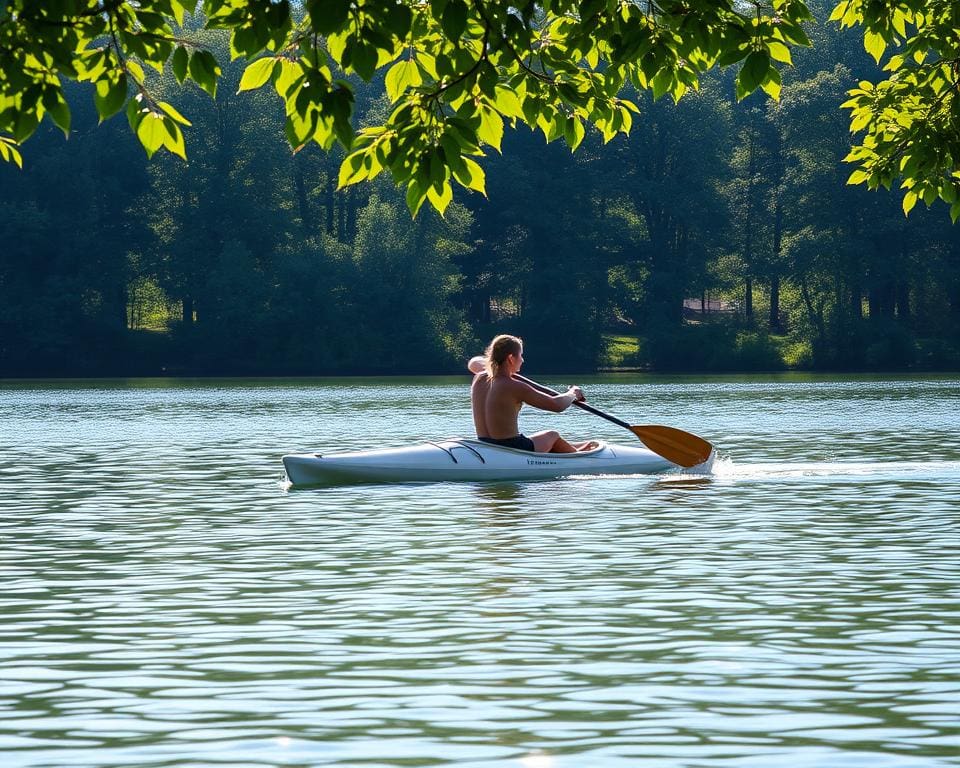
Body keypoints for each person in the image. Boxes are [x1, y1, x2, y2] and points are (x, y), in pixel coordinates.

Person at [468, 334, 598, 453]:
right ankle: (580, 456)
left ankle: (575, 448)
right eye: (521, 355)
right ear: (511, 358)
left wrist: (497, 364)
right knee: (552, 435)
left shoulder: (479, 378)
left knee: (549, 440)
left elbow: (473, 363)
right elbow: (556, 405)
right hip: (511, 446)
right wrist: (573, 393)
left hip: (485, 443)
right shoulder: (515, 386)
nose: (523, 360)